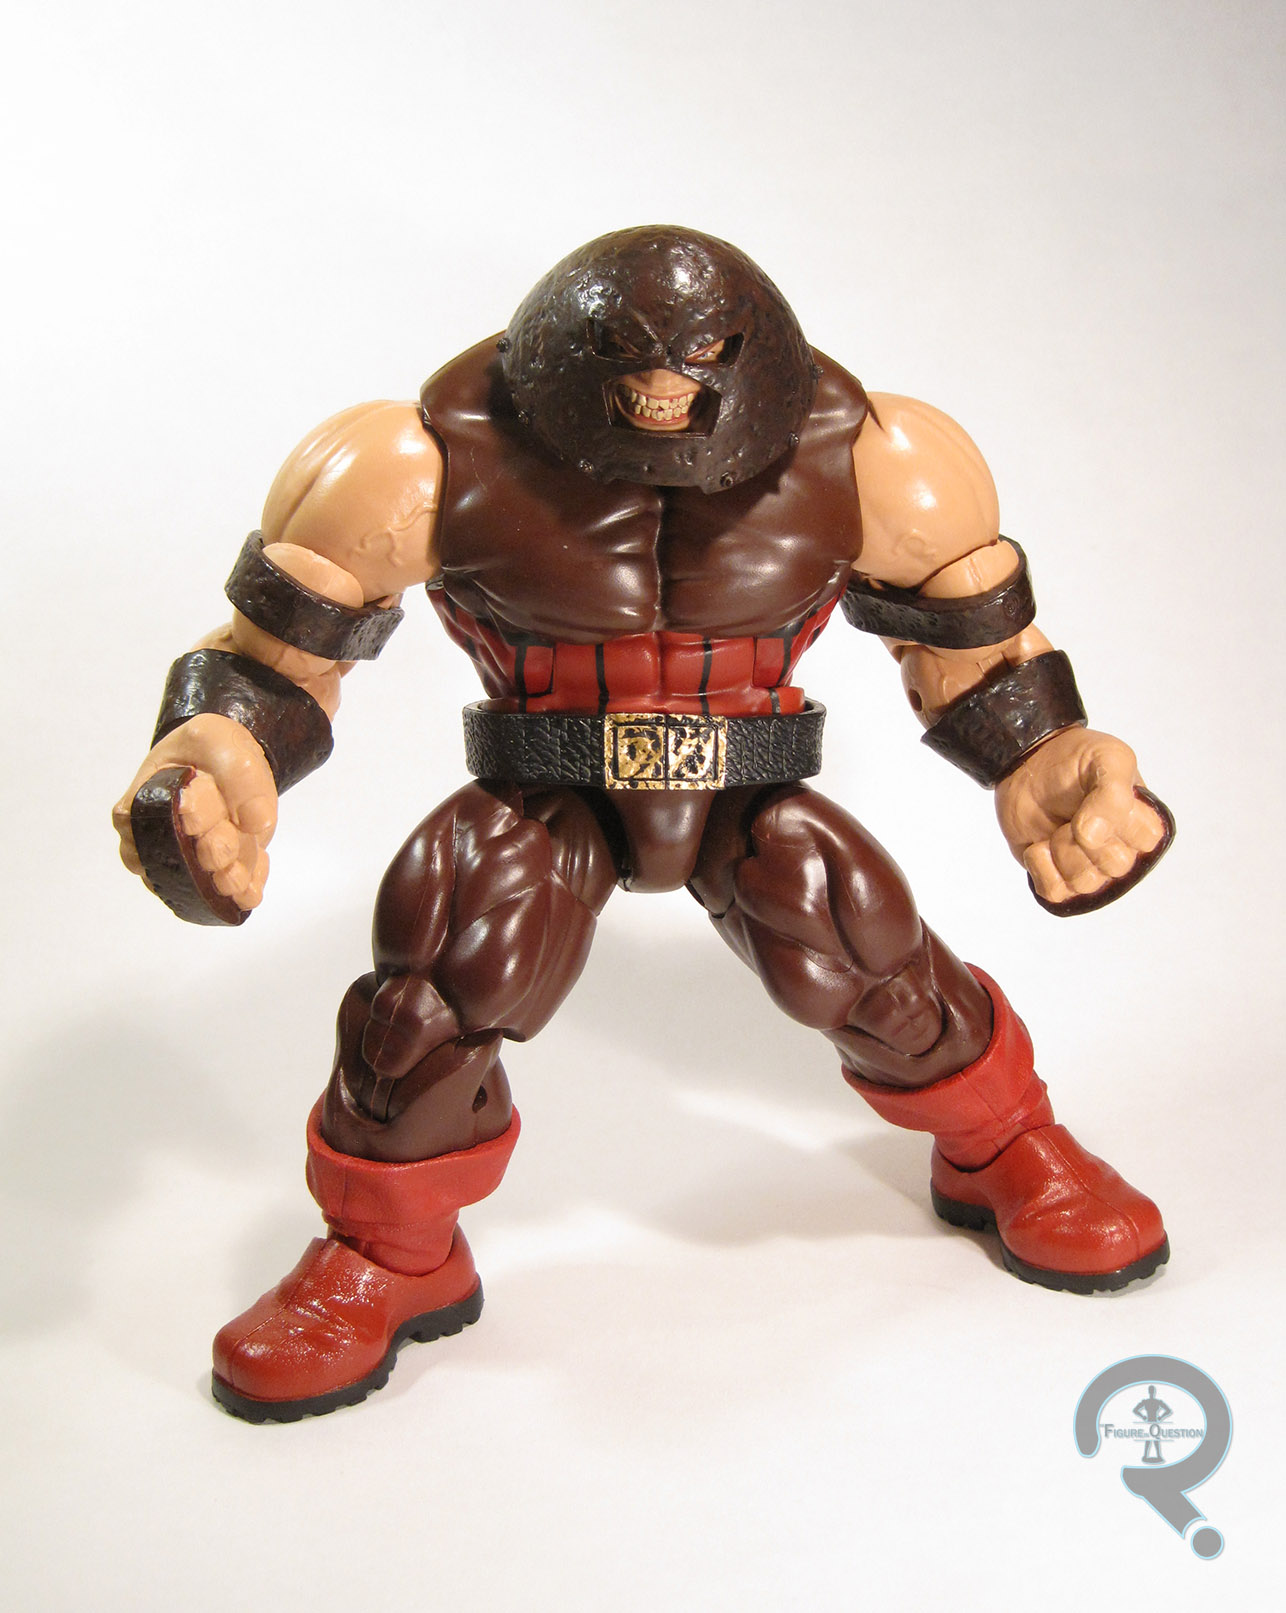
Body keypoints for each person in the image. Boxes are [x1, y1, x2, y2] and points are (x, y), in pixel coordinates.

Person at [114, 226, 1173, 1423]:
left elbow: (979, 651)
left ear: (751, 353)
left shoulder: (876, 454)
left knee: (856, 945)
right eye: (627, 352)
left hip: (745, 776)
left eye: (700, 355)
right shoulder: (419, 456)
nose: (665, 387)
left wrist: (1048, 755)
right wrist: (215, 751)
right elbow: (269, 657)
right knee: (430, 992)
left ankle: (1004, 1145)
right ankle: (386, 1254)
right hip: (548, 773)